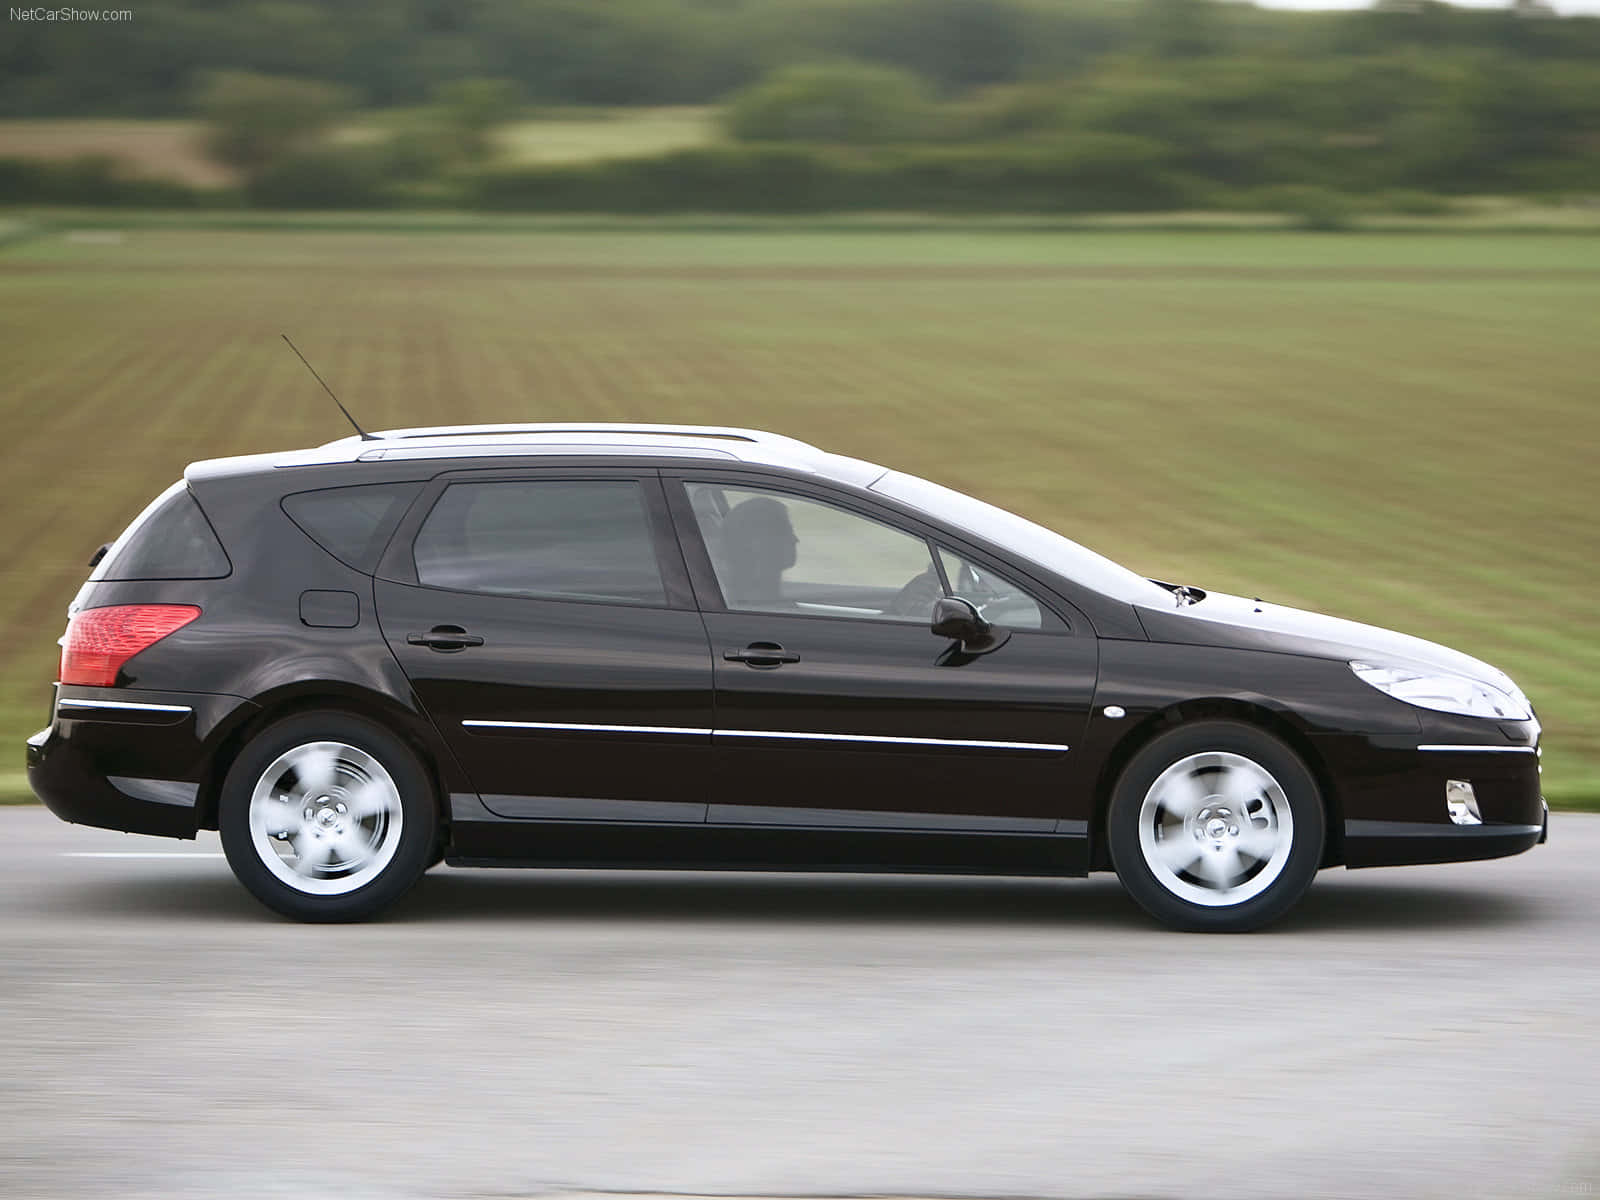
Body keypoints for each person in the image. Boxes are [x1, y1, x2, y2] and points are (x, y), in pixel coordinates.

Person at [719, 496, 798, 609]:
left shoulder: (761, 601)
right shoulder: (757, 608)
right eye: (786, 531)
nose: (795, 539)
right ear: (757, 542)